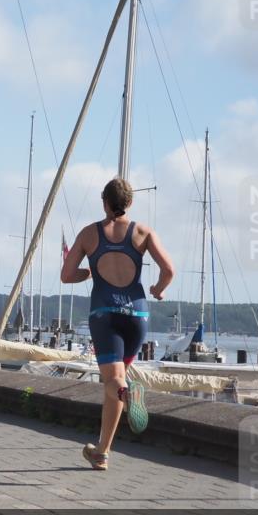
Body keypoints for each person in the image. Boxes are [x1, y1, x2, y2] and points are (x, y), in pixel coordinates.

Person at [60, 178, 174, 471]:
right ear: (130, 203)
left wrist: (87, 274)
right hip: (137, 316)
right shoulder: (143, 232)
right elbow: (169, 270)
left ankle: (129, 393)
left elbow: (67, 274)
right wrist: (159, 289)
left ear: (104, 202)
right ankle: (102, 452)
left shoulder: (89, 234)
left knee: (115, 383)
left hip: (105, 315)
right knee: (116, 379)